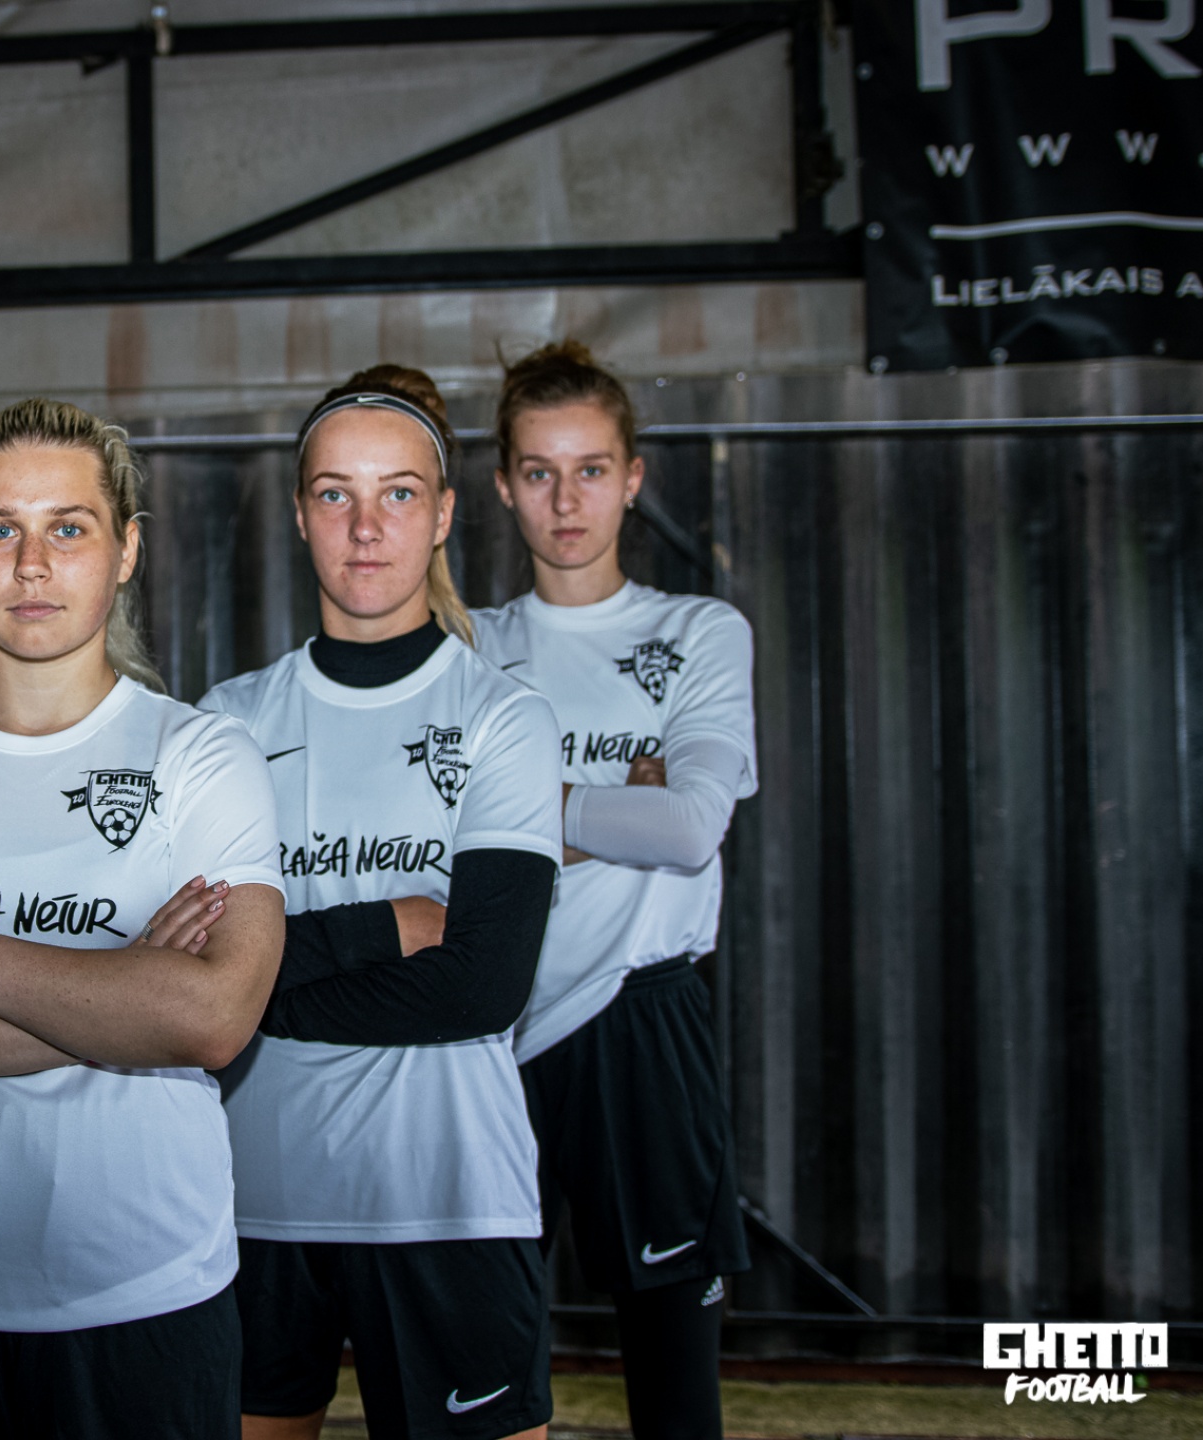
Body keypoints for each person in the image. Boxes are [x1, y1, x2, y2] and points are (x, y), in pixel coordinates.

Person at [0, 398, 287, 1440]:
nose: (31, 565)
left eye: (68, 528)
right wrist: (121, 987)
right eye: (0, 529)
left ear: (127, 550)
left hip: (146, 1292)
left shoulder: (200, 755)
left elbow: (211, 1018)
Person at [200, 366, 563, 1440]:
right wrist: (381, 927)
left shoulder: (504, 718)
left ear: (443, 514)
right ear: (299, 513)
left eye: (397, 493)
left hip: (449, 1202)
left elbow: (480, 987)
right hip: (255, 1201)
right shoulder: (226, 722)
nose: (366, 527)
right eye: (336, 494)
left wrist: (249, 991)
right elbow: (183, 976)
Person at [469, 340, 757, 1440]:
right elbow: (430, 843)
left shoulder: (697, 632)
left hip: (641, 1015)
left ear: (632, 478)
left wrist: (524, 812)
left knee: (674, 1377)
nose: (566, 500)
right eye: (539, 472)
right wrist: (608, 807)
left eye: (590, 470)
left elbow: (686, 828)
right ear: (503, 486)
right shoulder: (468, 647)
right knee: (483, 1365)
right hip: (490, 1028)